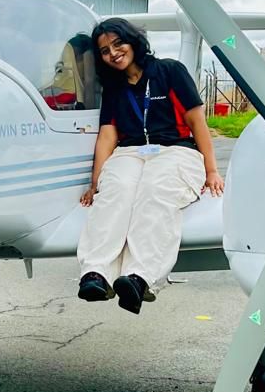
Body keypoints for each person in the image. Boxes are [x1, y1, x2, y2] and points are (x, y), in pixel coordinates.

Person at [76, 17, 224, 314]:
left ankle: (140, 277)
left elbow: (197, 122)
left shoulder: (170, 71)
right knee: (116, 189)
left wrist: (211, 170)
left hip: (175, 150)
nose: (113, 53)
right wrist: (95, 183)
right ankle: (96, 273)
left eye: (118, 43)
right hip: (130, 151)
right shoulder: (113, 87)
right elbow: (108, 135)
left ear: (133, 41)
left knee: (155, 189)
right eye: (104, 50)